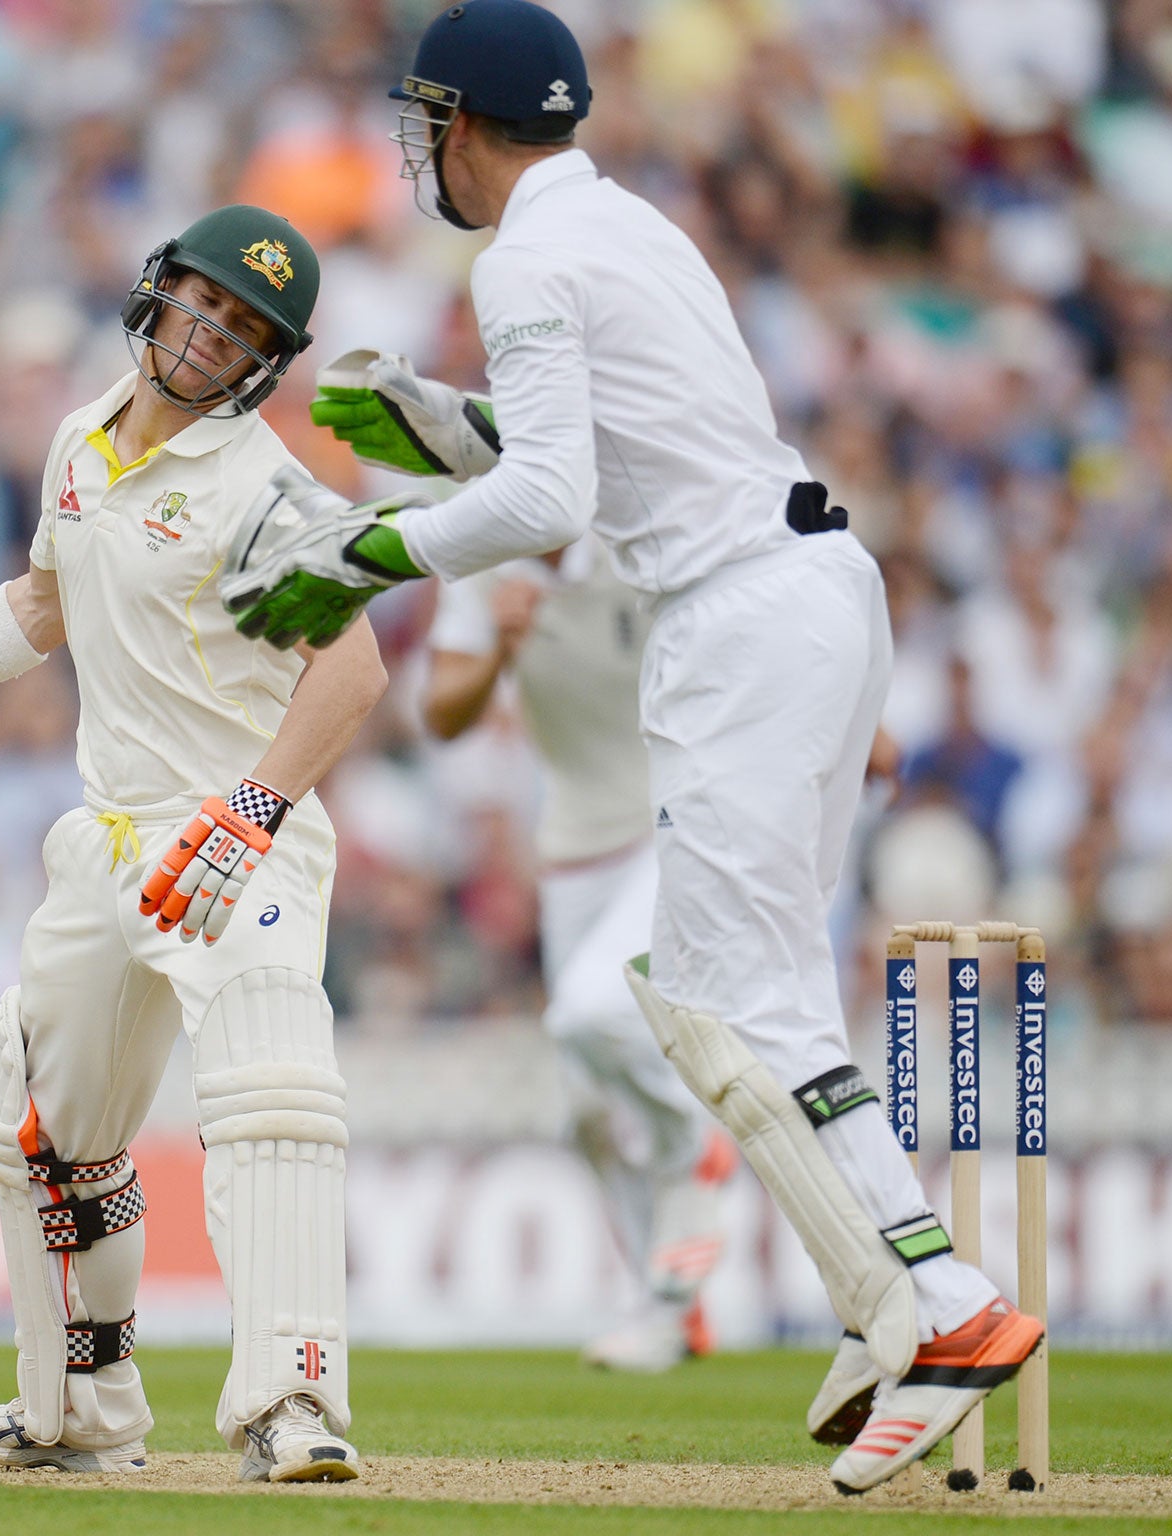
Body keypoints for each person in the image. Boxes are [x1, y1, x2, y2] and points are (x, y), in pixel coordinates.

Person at [219, 0, 1041, 1495]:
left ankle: (944, 1305)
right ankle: (890, 1299)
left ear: (459, 125)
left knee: (727, 995)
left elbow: (548, 506)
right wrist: (439, 420)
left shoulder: (528, 252)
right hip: (815, 592)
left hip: (736, 617)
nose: (422, 155)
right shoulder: (632, 225)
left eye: (423, 126)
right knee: (758, 991)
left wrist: (363, 549)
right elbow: (600, 465)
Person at [0, 205, 382, 1483]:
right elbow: (46, 602)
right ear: (156, 290)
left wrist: (258, 808)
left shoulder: (265, 491)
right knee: (37, 1125)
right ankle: (80, 1407)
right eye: (202, 299)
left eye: (242, 328)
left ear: (263, 363)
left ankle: (292, 1408)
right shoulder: (81, 438)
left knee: (269, 1097)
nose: (209, 333)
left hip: (238, 834)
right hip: (109, 836)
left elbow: (350, 667)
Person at [420, 537, 737, 1371]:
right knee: (586, 1112)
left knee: (589, 1014)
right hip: (571, 851)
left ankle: (690, 1142)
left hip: (671, 829)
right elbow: (441, 713)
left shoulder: (643, 534)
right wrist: (497, 647)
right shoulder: (488, 558)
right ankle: (668, 1309)